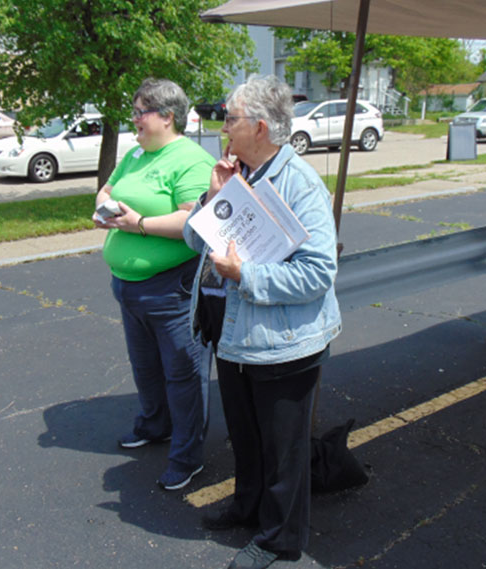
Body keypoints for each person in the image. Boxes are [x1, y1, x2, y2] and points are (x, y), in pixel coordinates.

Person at [183, 75, 342, 569]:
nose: (222, 127)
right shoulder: (238, 175)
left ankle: (279, 539)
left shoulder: (299, 183)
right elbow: (194, 240)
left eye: (229, 119)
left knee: (283, 449)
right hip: (233, 337)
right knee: (246, 436)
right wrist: (213, 198)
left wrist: (244, 274)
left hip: (284, 344)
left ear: (259, 126)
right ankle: (246, 506)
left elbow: (318, 272)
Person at [94, 78, 215, 491]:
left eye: (140, 111)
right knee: (145, 367)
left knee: (183, 376)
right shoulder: (135, 154)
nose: (134, 119)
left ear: (167, 116)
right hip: (128, 286)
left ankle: (187, 457)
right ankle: (153, 424)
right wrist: (105, 208)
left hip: (171, 288)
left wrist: (138, 224)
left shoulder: (190, 160)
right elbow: (107, 189)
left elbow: (194, 221)